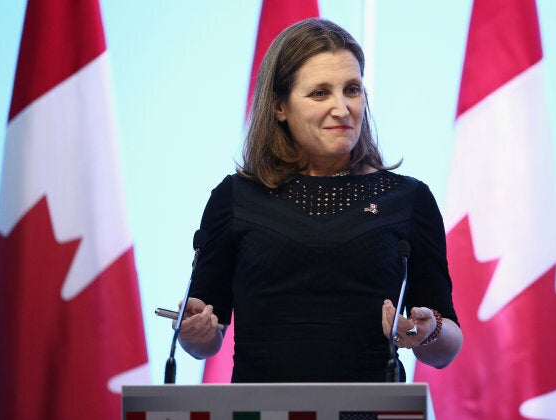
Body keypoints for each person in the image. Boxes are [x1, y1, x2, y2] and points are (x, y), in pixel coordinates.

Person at [175, 18, 463, 382]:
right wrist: (194, 333)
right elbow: (206, 337)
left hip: (371, 409)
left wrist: (427, 331)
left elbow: (446, 347)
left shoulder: (408, 199)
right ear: (280, 106)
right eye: (320, 93)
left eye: (352, 90)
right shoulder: (235, 198)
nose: (342, 109)